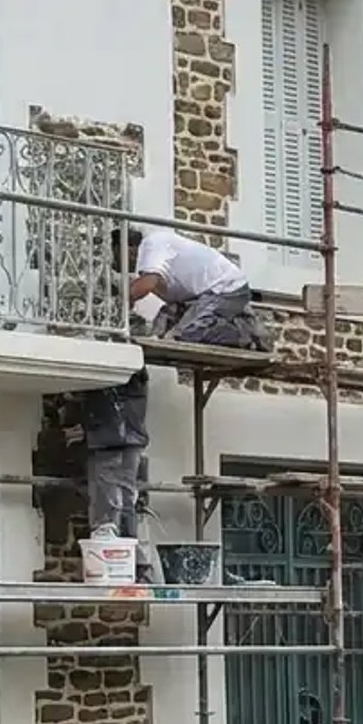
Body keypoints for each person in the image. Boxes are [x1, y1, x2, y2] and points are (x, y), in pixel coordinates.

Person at [119, 226, 272, 350]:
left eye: (116, 254)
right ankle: (231, 326)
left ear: (128, 248)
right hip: (201, 295)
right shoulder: (154, 257)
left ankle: (246, 335)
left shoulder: (150, 245)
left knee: (185, 333)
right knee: (164, 325)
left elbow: (146, 284)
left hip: (226, 288)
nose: (115, 264)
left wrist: (120, 302)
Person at [80, 371, 150, 542]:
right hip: (131, 439)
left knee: (106, 494)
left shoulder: (112, 377)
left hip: (110, 439)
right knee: (126, 497)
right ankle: (131, 549)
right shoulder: (135, 379)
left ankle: (107, 535)